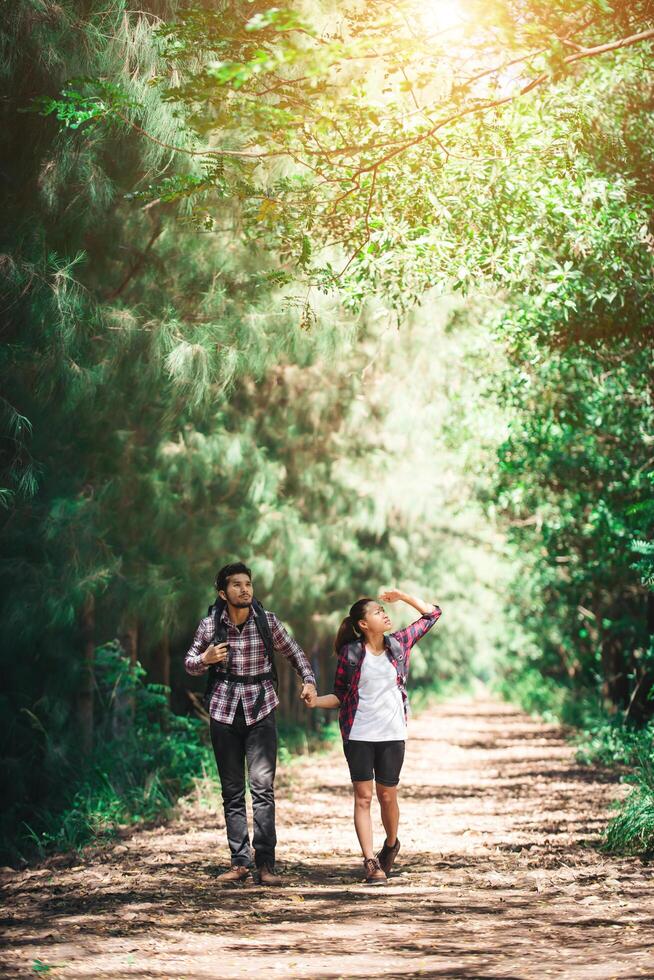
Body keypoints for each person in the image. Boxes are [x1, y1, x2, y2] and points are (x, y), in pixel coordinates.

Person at [185, 561, 317, 885]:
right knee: (232, 792)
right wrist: (205, 659)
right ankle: (240, 863)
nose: (245, 589)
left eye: (248, 584)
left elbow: (295, 652)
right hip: (223, 712)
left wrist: (309, 680)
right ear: (222, 592)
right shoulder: (209, 626)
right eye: (236, 585)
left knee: (262, 789)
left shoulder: (266, 621)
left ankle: (266, 866)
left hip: (261, 710)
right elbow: (189, 663)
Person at [306, 589, 441, 884]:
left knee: (387, 796)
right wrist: (315, 701)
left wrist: (403, 597)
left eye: (383, 609)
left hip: (392, 734)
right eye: (377, 611)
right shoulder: (351, 654)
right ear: (364, 624)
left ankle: (391, 844)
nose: (384, 613)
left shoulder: (399, 644)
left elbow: (433, 614)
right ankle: (369, 861)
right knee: (363, 797)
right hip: (358, 733)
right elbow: (340, 696)